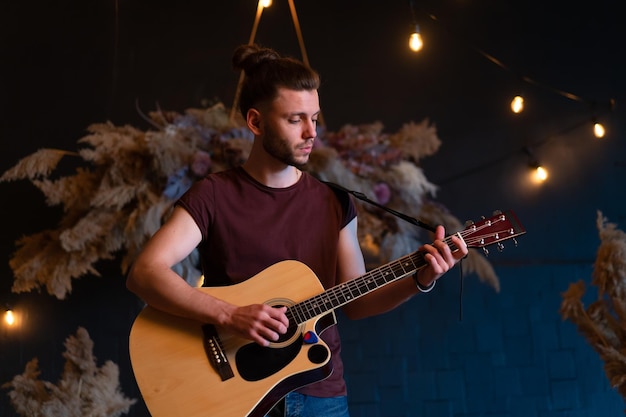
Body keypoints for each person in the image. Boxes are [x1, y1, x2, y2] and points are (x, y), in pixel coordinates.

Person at [126, 43, 468, 417]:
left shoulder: (334, 203)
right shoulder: (214, 195)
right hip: (236, 397)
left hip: (321, 395)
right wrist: (229, 315)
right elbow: (144, 273)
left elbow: (354, 301)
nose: (311, 133)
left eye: (315, 118)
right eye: (295, 120)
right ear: (255, 122)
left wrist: (419, 278)